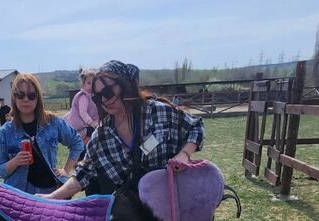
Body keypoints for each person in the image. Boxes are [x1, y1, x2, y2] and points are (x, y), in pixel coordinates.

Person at [42, 60, 204, 199]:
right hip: (136, 212)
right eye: (98, 96)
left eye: (107, 92)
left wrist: (184, 154)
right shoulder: (102, 135)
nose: (104, 99)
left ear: (125, 85)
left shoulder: (158, 112)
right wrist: (51, 198)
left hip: (174, 201)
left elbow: (195, 127)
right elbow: (83, 174)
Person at [0, 73, 84, 194]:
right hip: (20, 194)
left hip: (50, 191)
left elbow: (77, 142)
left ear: (38, 98)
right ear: (14, 98)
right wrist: (15, 162)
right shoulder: (5, 132)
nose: (26, 99)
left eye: (31, 95)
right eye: (20, 95)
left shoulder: (53, 123)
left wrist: (66, 170)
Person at [64, 68, 99, 146]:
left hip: (86, 124)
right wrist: (92, 123)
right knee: (87, 135)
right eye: (89, 83)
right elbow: (83, 112)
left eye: (94, 83)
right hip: (81, 124)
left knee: (91, 137)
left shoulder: (93, 96)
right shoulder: (84, 97)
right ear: (83, 83)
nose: (91, 85)